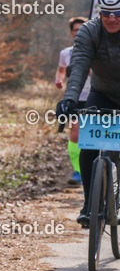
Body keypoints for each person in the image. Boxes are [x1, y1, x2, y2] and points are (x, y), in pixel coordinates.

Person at [58, 0, 120, 226]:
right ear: (100, 13)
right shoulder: (89, 30)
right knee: (89, 145)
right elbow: (80, 67)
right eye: (107, 13)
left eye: (118, 13)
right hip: (101, 93)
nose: (112, 18)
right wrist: (70, 99)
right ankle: (89, 204)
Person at [55, 17, 90, 184]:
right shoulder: (66, 53)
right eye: (76, 30)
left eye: (82, 29)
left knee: (93, 133)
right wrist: (59, 79)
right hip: (75, 98)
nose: (79, 33)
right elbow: (61, 70)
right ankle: (78, 171)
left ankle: (101, 167)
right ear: (71, 33)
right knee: (75, 134)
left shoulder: (95, 50)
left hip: (96, 96)